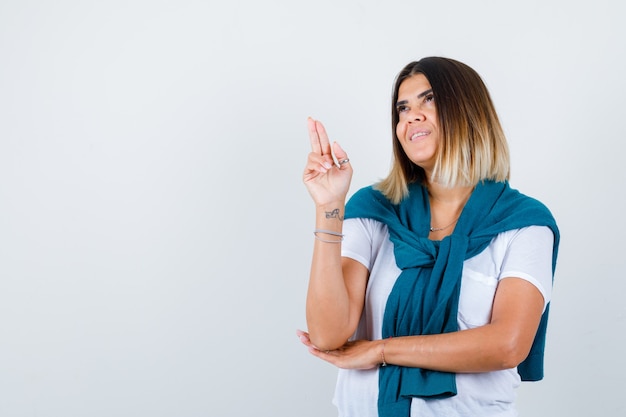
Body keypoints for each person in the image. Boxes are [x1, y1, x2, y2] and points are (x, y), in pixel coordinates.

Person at [297, 56, 560, 417]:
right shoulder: (376, 211)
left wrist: (381, 350)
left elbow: (507, 344)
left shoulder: (523, 224)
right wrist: (329, 206)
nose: (411, 116)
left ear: (469, 112)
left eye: (429, 99)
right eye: (402, 109)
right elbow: (329, 335)